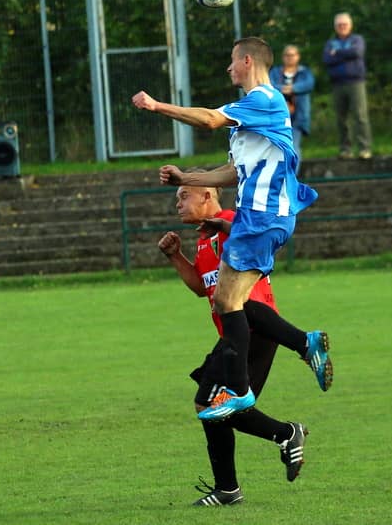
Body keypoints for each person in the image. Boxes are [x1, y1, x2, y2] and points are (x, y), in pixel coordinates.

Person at [132, 36, 325, 422]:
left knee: (229, 302)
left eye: (232, 61)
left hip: (265, 213)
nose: (228, 68)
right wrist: (187, 177)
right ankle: (299, 348)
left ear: (248, 61)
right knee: (227, 300)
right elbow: (234, 172)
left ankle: (245, 387)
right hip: (258, 215)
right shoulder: (247, 121)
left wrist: (157, 106)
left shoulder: (265, 99)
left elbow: (208, 119)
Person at [159, 179, 325, 506]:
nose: (178, 203)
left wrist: (222, 226)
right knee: (217, 408)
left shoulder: (231, 222)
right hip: (238, 335)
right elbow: (202, 287)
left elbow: (250, 236)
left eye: (184, 195)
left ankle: (275, 443)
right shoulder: (205, 240)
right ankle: (242, 475)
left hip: (254, 329)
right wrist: (175, 256)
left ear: (207, 194)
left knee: (210, 403)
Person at [323, 12, 373, 160]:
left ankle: (365, 148)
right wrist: (345, 54)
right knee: (341, 118)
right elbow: (327, 59)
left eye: (345, 24)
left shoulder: (357, 39)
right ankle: (346, 149)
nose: (342, 27)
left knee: (360, 116)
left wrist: (337, 53)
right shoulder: (330, 43)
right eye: (339, 25)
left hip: (356, 83)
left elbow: (357, 52)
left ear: (350, 25)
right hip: (337, 84)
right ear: (335, 27)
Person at [268, 45, 314, 174]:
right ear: (283, 57)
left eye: (292, 55)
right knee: (277, 148)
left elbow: (309, 84)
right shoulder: (275, 72)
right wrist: (285, 89)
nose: (290, 58)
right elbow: (270, 85)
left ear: (298, 56)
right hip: (278, 117)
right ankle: (278, 177)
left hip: (298, 116)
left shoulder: (304, 72)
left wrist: (292, 88)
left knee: (294, 147)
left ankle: (291, 177)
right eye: (287, 55)